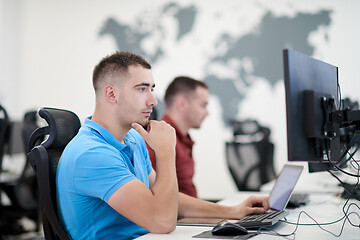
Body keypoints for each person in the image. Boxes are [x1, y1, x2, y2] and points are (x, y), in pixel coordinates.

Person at [56, 51, 269, 240]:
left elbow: (169, 200)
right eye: (141, 89)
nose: (153, 101)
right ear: (111, 94)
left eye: (152, 89)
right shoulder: (92, 154)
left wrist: (233, 211)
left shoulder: (133, 138)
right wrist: (166, 152)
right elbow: (163, 221)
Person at [147, 76, 208, 198]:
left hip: (190, 213)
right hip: (178, 215)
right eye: (203, 105)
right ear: (182, 104)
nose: (207, 112)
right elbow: (158, 198)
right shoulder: (157, 140)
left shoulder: (183, 139)